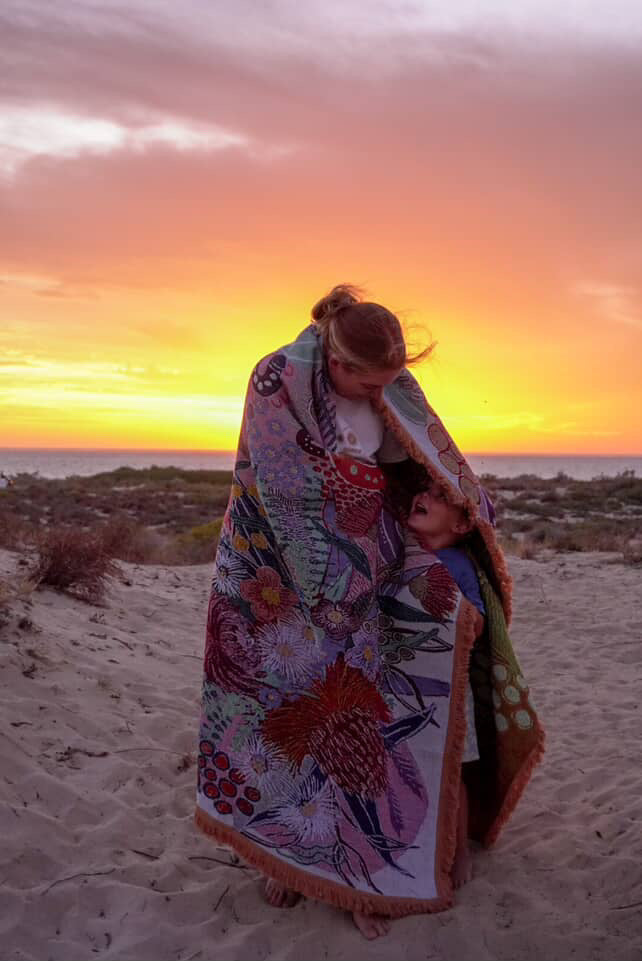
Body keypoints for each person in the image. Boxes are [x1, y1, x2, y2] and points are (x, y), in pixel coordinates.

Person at [194, 284, 544, 941]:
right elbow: (283, 491)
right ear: (339, 364)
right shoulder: (277, 379)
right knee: (282, 707)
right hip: (276, 569)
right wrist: (345, 570)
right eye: (371, 382)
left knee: (353, 710)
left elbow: (428, 460)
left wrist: (459, 514)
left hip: (365, 560)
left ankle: (355, 863)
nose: (382, 392)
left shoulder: (391, 386)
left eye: (392, 380)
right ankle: (288, 858)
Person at [406, 482, 487, 890]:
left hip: (452, 691)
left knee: (454, 770)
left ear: (460, 524)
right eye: (424, 491)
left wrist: (458, 609)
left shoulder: (456, 563)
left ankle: (459, 856)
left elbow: (479, 622)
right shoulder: (400, 553)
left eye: (440, 497)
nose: (424, 495)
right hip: (408, 687)